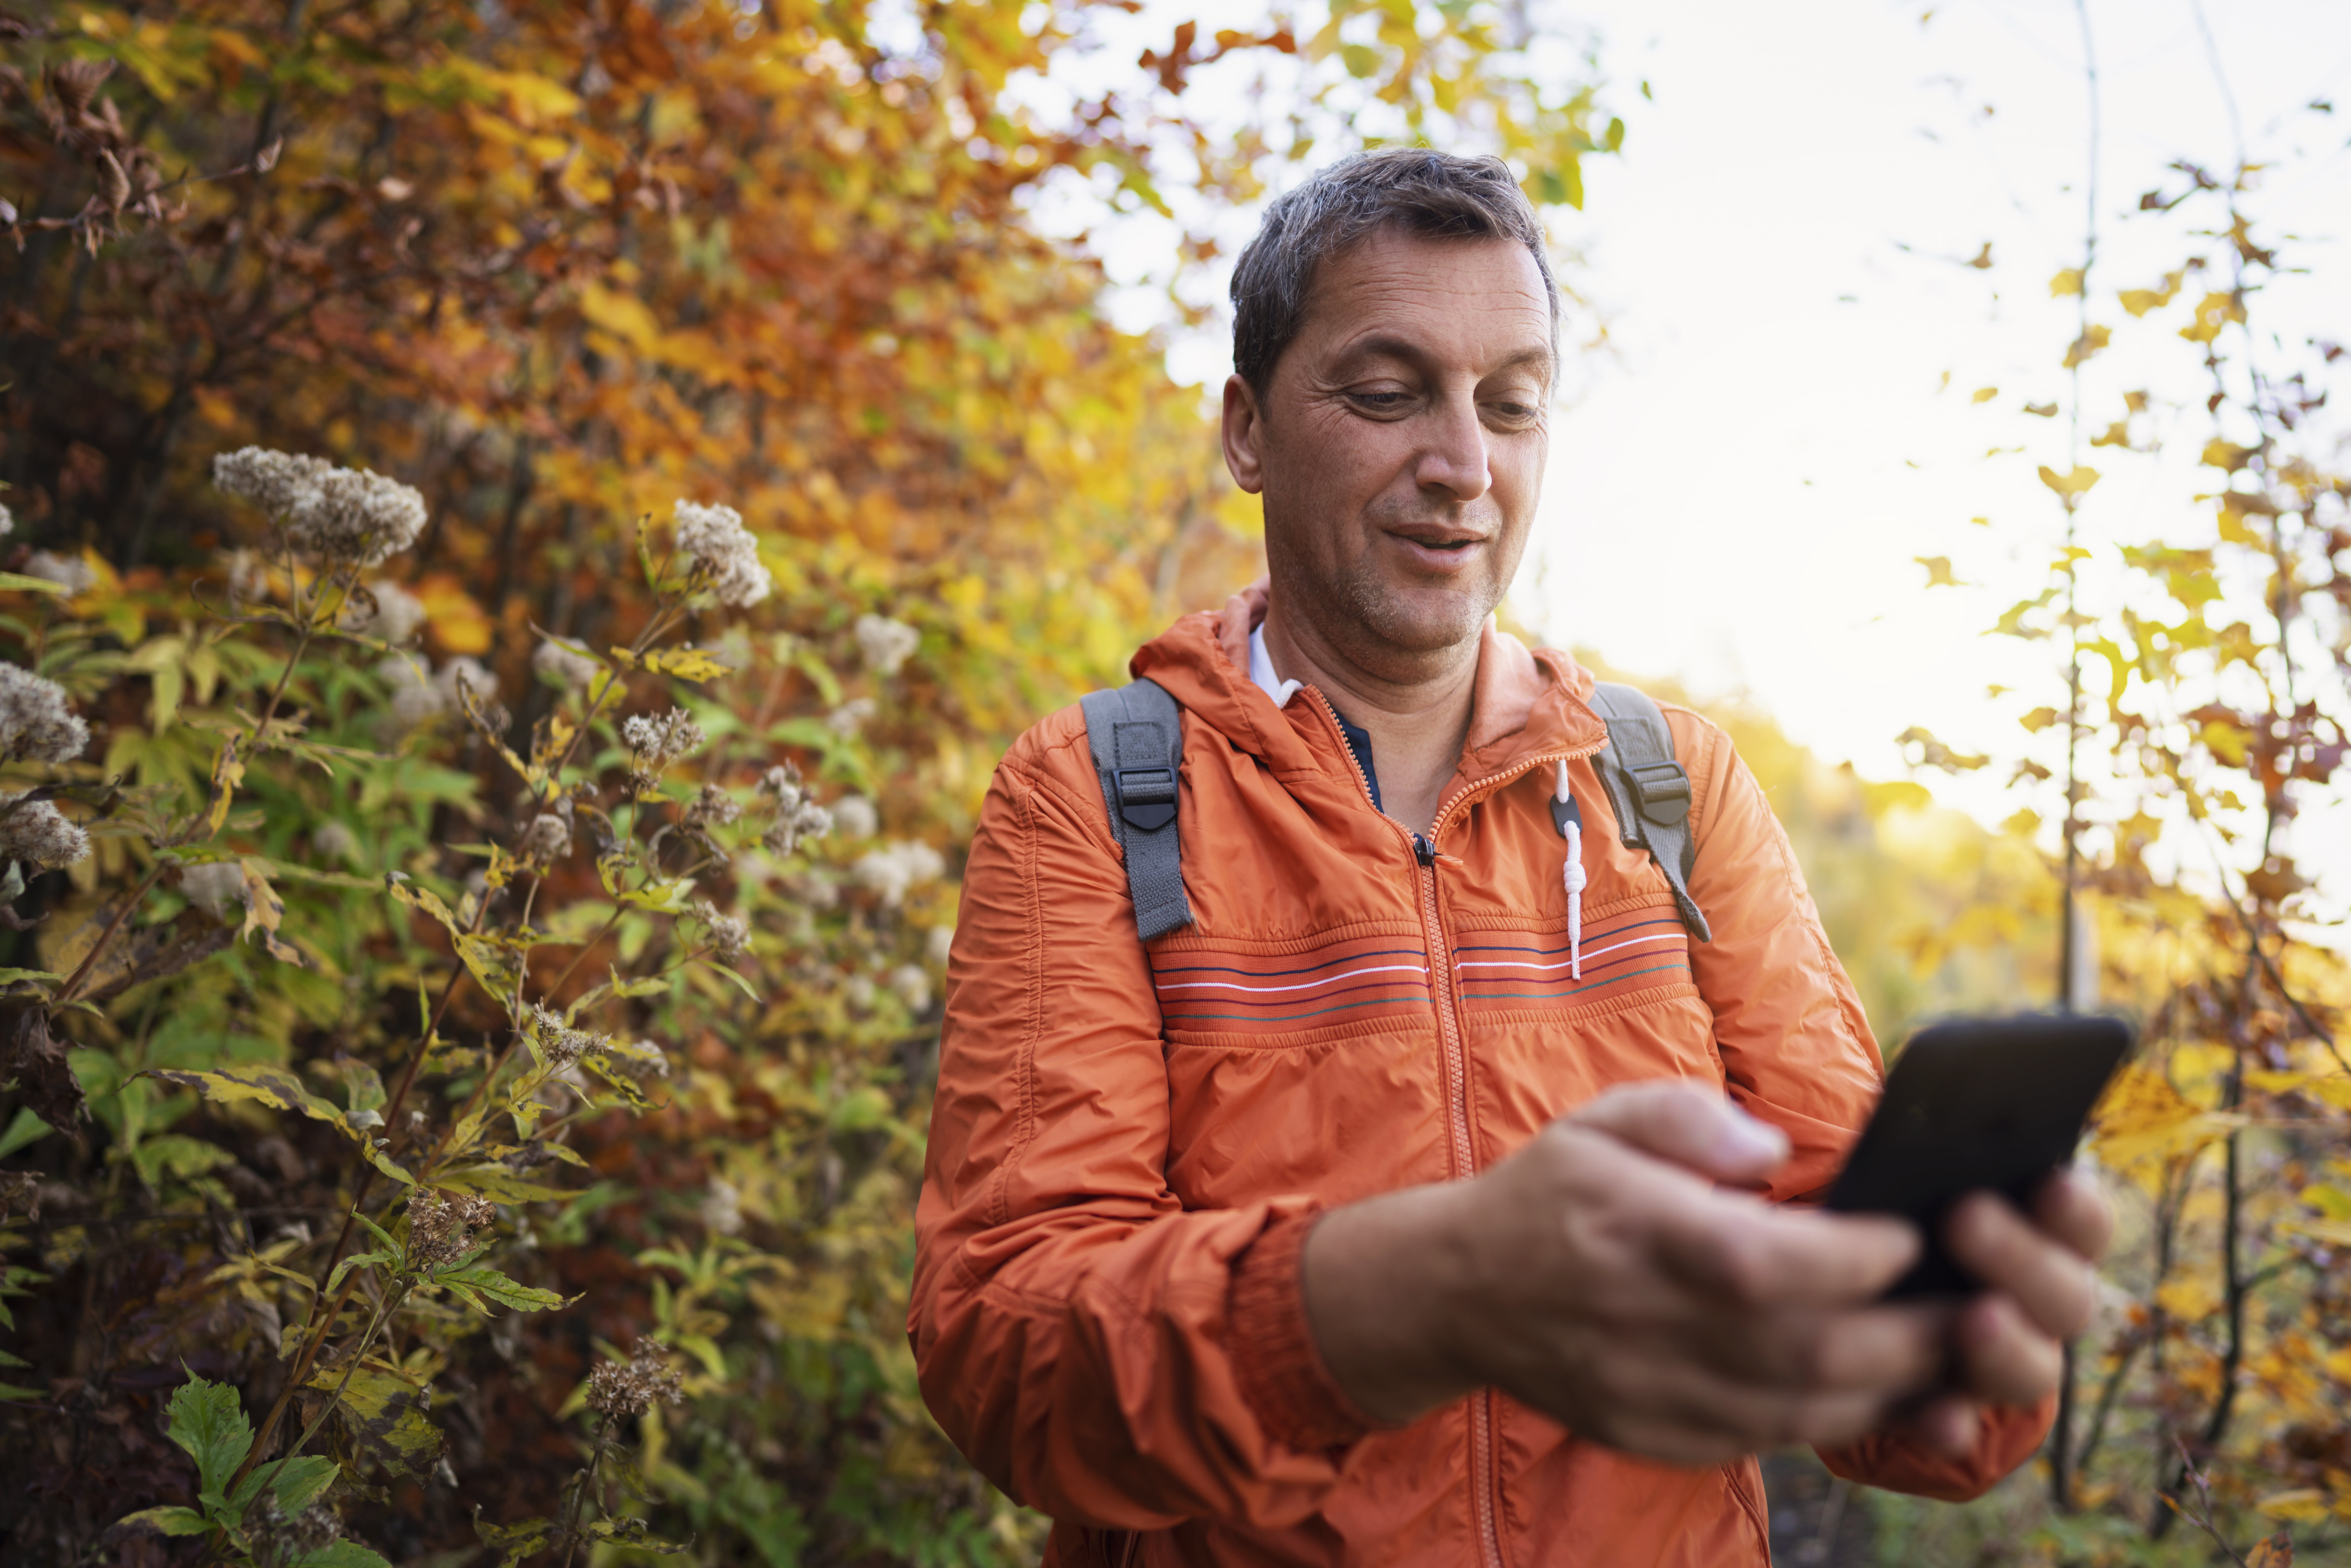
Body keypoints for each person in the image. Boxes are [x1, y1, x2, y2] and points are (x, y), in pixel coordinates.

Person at [910, 149, 2111, 1567]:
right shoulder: (1094, 796)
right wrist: (1432, 1294)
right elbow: (1013, 1351)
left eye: (1511, 404)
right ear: (1246, 432)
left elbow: (1842, 1306)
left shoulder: (1668, 784)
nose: (1462, 466)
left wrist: (1953, 1349)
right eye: (1384, 391)